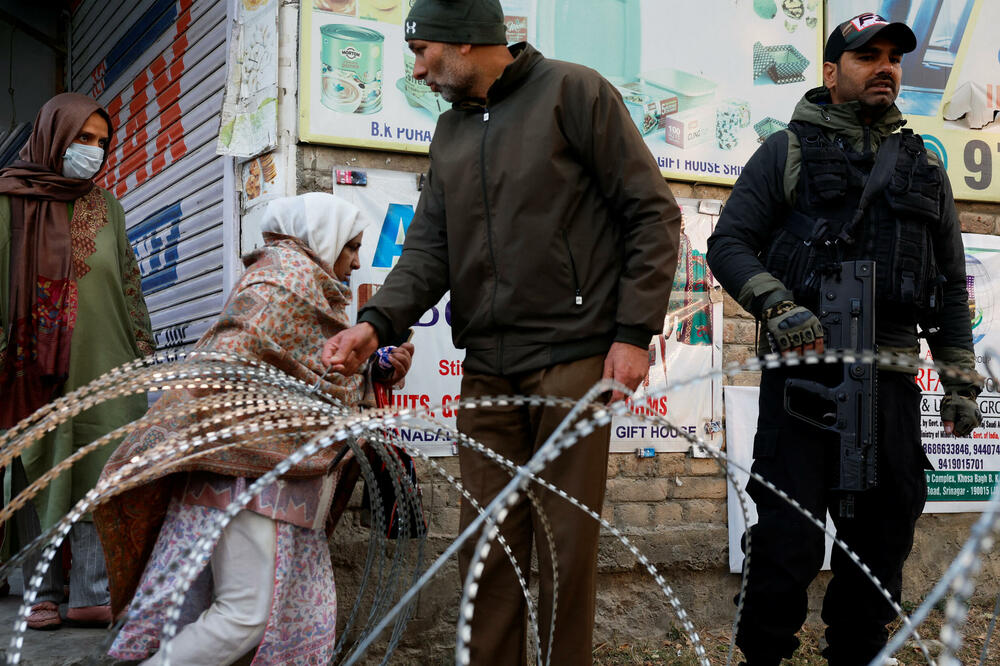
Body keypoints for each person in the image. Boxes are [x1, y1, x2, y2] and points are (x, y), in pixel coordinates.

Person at [322, 1, 681, 662]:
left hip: (573, 359)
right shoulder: (452, 133)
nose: (419, 67)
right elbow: (429, 250)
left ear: (464, 41)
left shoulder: (574, 93)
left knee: (565, 552)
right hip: (488, 369)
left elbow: (652, 214)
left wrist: (633, 334)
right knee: (484, 554)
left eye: (424, 49)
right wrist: (374, 326)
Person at [706, 13, 982, 665]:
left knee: (881, 542)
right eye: (867, 57)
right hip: (804, 379)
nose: (885, 66)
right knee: (786, 540)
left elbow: (947, 287)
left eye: (893, 57)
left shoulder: (923, 169)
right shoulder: (786, 152)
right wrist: (776, 304)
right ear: (832, 75)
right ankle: (764, 656)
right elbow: (730, 244)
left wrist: (960, 381)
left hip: (887, 385)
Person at [92, 193, 414, 665]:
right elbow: (253, 368)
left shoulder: (302, 284)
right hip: (242, 469)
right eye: (351, 247)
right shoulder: (285, 282)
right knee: (245, 615)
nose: (356, 261)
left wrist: (371, 368)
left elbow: (302, 368)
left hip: (261, 472)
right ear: (324, 239)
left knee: (241, 610)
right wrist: (362, 372)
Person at [0, 92, 154, 630]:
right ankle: (41, 592)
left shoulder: (106, 205)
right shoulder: (7, 200)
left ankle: (91, 590)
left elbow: (129, 282)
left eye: (100, 142)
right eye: (82, 138)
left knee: (99, 465)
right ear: (52, 134)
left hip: (105, 358)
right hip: (25, 366)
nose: (92, 151)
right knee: (36, 472)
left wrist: (144, 354)